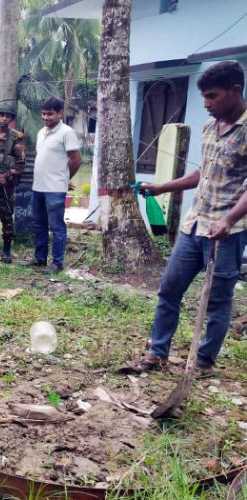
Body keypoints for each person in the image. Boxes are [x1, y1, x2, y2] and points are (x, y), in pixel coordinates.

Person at [128, 60, 247, 377]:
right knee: (169, 289)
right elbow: (203, 173)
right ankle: (157, 353)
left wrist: (228, 219)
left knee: (217, 302)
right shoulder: (211, 127)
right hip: (194, 225)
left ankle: (204, 363)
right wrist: (162, 186)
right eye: (204, 98)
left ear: (235, 91)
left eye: (212, 96)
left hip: (227, 232)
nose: (206, 104)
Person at [31, 98, 82, 273]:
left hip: (55, 189)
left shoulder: (66, 132)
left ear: (60, 113)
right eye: (43, 113)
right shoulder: (40, 132)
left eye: (50, 113)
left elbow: (76, 160)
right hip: (38, 187)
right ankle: (39, 259)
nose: (46, 117)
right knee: (39, 225)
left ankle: (57, 263)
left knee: (56, 227)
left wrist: (65, 178)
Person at [0, 101, 26, 263]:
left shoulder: (17, 137)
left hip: (6, 186)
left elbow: (21, 164)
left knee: (7, 218)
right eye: (1, 115)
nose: (4, 118)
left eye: (7, 116)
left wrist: (7, 175)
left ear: (11, 119)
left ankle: (6, 251)